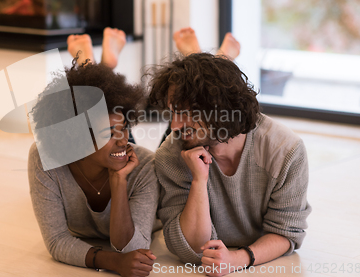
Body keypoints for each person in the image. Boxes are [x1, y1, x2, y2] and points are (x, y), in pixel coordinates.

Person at [148, 52, 312, 277]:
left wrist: (238, 259)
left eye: (184, 112)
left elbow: (286, 232)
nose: (175, 125)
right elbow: (192, 249)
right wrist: (199, 180)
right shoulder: (171, 155)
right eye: (172, 113)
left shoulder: (285, 149)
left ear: (219, 108)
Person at [27, 30, 159, 277]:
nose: (123, 141)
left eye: (124, 128)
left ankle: (97, 64)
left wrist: (119, 181)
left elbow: (134, 248)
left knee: (177, 136)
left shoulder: (145, 164)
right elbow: (56, 241)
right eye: (109, 133)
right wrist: (112, 262)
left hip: (140, 168)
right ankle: (97, 64)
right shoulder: (44, 157)